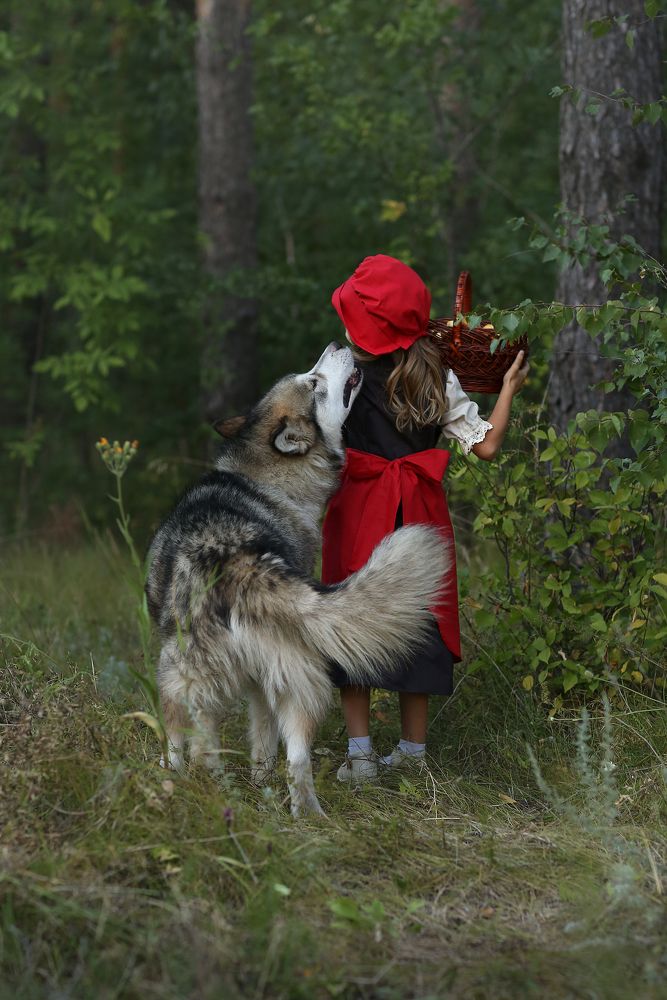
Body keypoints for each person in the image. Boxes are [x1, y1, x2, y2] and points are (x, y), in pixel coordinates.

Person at [321, 254, 529, 782]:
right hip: (419, 512)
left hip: (358, 511)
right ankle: (412, 755)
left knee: (351, 616)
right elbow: (486, 447)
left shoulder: (341, 373)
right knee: (418, 623)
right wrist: (507, 389)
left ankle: (361, 756)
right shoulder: (438, 375)